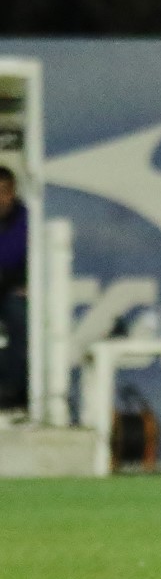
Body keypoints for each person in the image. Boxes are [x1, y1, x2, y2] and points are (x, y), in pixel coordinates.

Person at [0, 166, 27, 410]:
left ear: (13, 193)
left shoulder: (27, 220)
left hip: (13, 290)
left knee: (19, 313)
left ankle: (12, 390)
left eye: (4, 192)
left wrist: (29, 284)